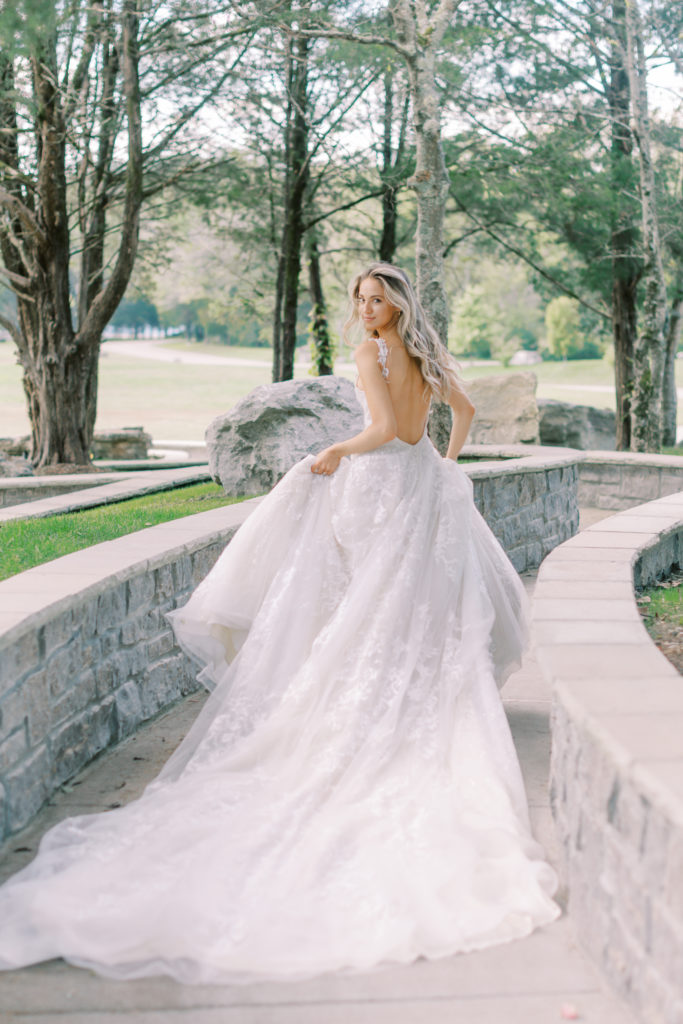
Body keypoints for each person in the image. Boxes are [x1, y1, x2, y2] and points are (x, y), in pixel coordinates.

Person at [0, 262, 560, 985]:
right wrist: (445, 465)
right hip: (425, 487)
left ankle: (363, 715)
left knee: (369, 606)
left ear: (395, 301)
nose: (365, 309)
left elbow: (384, 429)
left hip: (381, 488)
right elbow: (463, 414)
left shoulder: (372, 354)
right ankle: (403, 704)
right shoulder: (427, 350)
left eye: (375, 297)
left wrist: (333, 450)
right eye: (359, 299)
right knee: (411, 610)